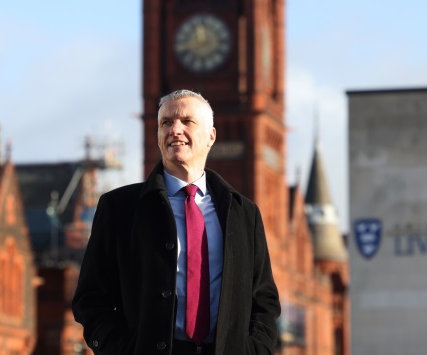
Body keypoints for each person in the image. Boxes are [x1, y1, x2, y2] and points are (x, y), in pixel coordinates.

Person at [72, 90, 280, 355]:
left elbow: (264, 299)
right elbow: (90, 298)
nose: (175, 129)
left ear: (211, 136)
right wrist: (123, 349)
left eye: (187, 121)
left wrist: (254, 349)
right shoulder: (119, 208)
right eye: (165, 123)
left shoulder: (244, 214)